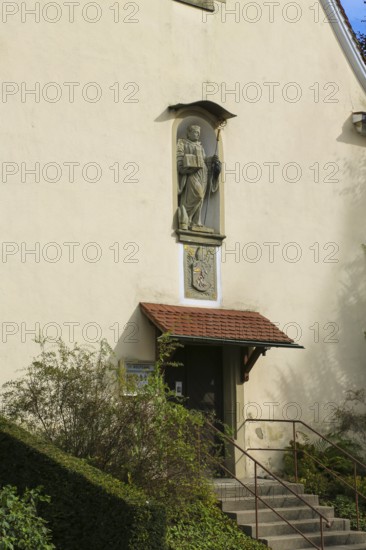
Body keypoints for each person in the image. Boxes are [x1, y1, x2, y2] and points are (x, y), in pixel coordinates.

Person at [177, 124, 221, 230]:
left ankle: (196, 222)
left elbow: (205, 160)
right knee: (198, 195)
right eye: (195, 132)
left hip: (203, 173)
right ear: (188, 133)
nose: (197, 134)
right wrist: (188, 164)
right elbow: (179, 159)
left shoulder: (200, 146)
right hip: (192, 173)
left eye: (198, 133)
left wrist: (212, 160)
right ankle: (185, 217)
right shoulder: (183, 143)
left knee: (201, 199)